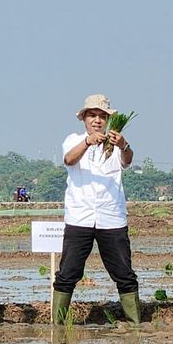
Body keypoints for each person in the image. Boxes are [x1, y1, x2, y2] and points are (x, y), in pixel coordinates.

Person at [52, 94, 140, 326]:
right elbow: (69, 159)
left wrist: (123, 144)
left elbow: (128, 160)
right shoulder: (74, 140)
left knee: (124, 273)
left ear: (109, 119)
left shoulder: (118, 143)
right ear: (84, 119)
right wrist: (88, 142)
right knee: (67, 273)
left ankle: (134, 323)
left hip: (111, 218)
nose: (97, 120)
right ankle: (58, 325)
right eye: (92, 115)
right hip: (79, 217)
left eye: (102, 116)